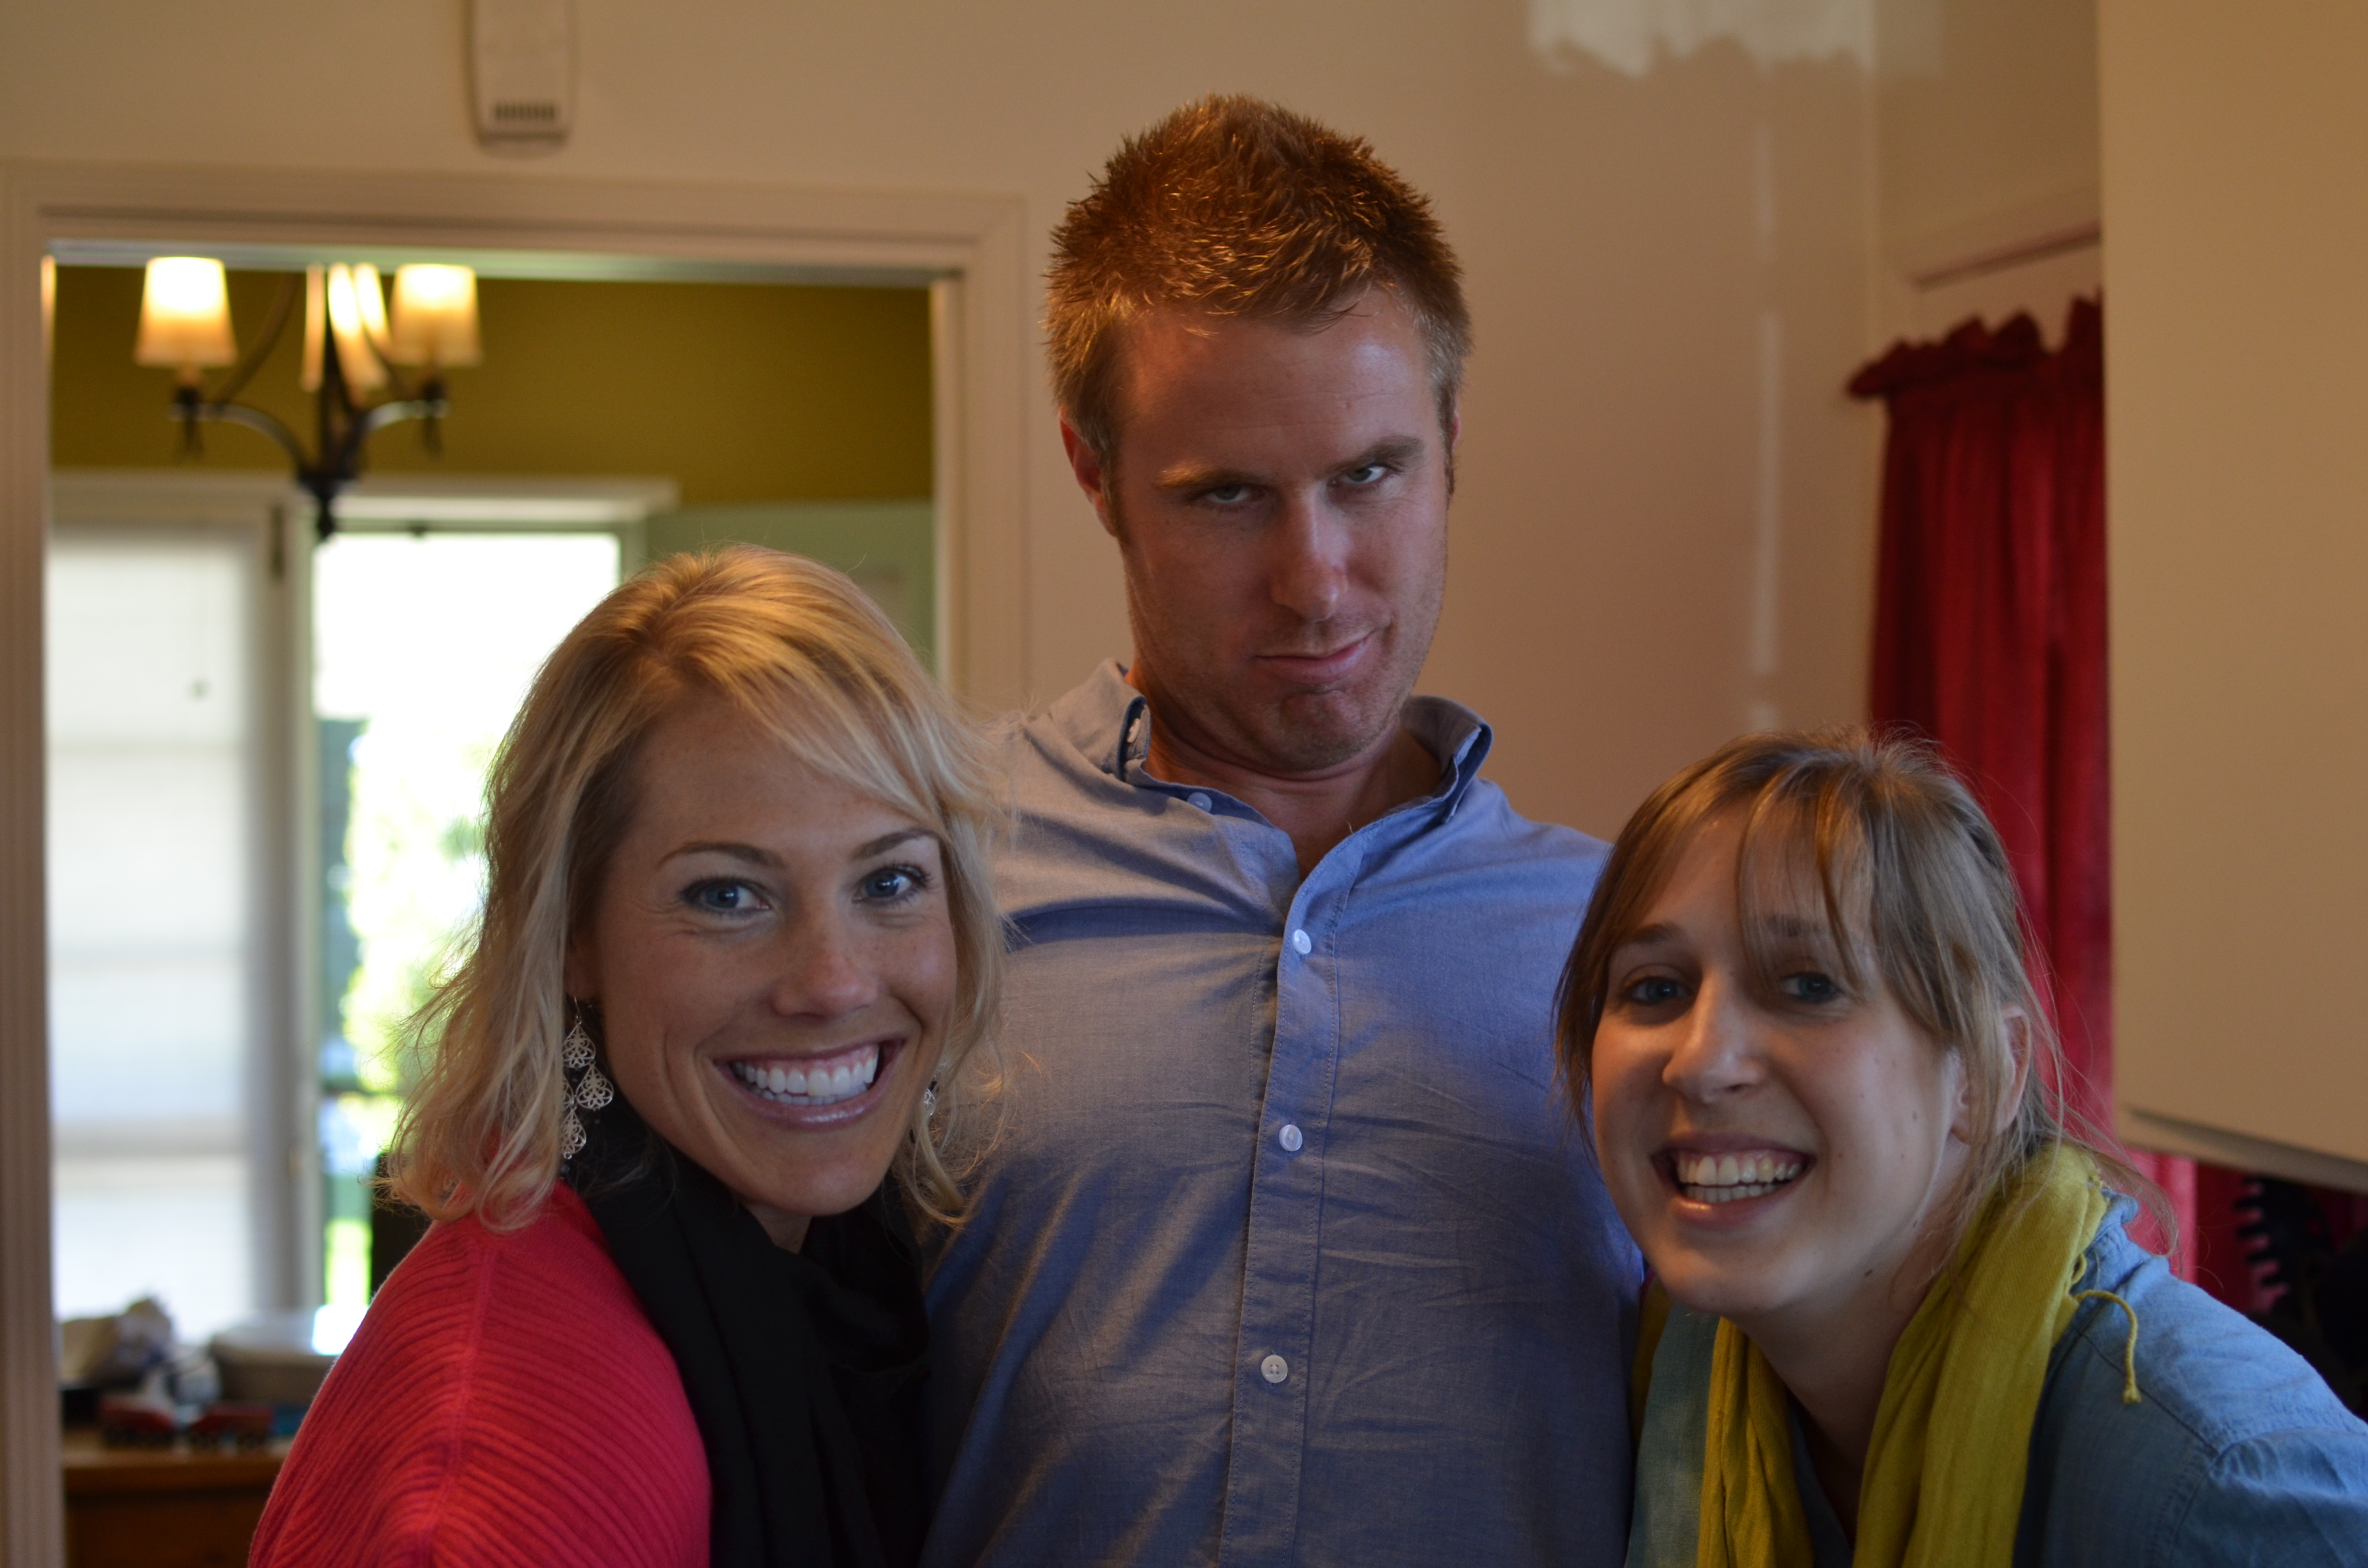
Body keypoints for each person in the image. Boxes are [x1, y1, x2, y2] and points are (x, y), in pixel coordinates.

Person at [921, 97, 1641, 1567]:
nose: (1315, 581)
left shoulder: (1632, 942)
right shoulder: (920, 874)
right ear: (1094, 475)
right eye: (1229, 496)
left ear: (1451, 444)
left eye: (1370, 475)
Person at [251, 548, 1003, 1568]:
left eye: (889, 882)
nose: (833, 982)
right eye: (726, 895)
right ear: (571, 933)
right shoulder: (509, 1466)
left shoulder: (832, 1283)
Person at [1558, 728, 2368, 1567]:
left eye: (1808, 986)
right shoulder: (1693, 1368)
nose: (1700, 1062)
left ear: (1985, 1076)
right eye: (1655, 988)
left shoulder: (2221, 1486)